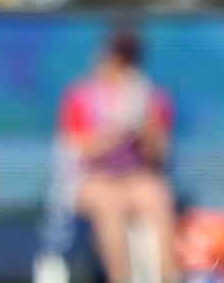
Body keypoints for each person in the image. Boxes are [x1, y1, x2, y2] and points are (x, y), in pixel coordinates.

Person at [56, 28, 177, 282]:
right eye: (117, 57)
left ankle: (168, 277)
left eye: (129, 59)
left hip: (136, 175)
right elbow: (77, 151)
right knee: (109, 203)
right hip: (93, 177)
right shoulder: (81, 95)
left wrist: (147, 125)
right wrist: (116, 129)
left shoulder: (153, 97)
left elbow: (159, 157)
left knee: (156, 196)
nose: (122, 66)